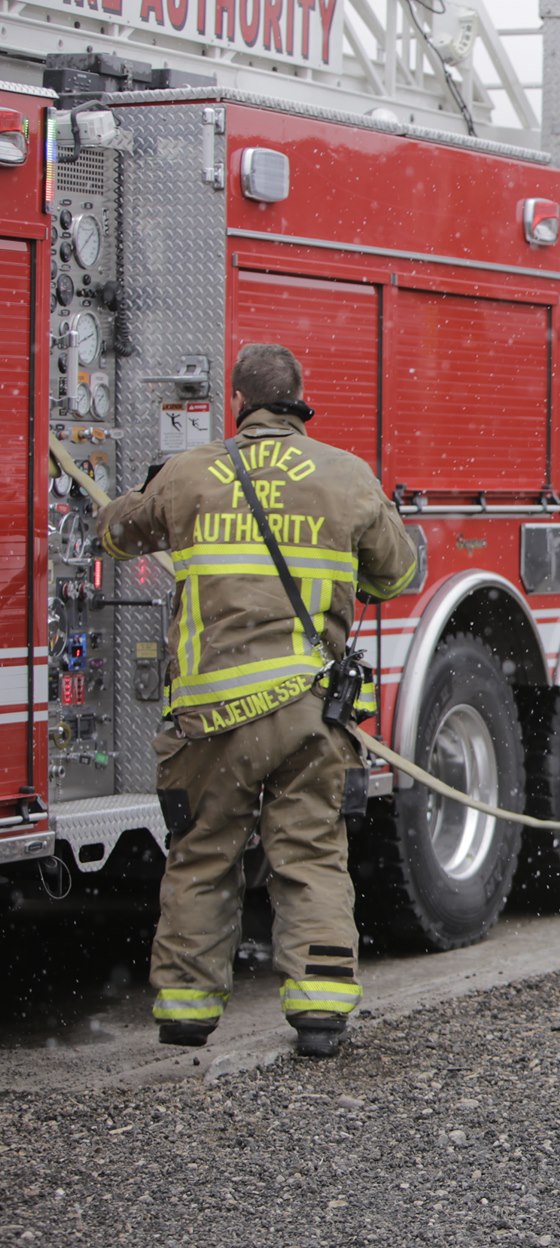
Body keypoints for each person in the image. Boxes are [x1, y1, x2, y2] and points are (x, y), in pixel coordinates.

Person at [97, 343, 418, 1058]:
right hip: (308, 715)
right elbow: (399, 574)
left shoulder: (189, 473)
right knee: (310, 853)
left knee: (204, 852)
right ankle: (320, 1009)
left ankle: (186, 1010)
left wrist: (140, 497)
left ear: (237, 400)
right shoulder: (345, 475)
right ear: (300, 396)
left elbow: (115, 535)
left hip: (210, 718)